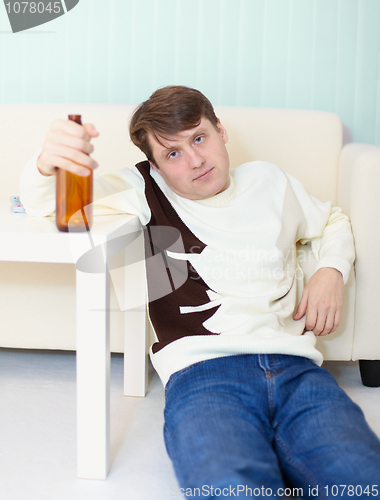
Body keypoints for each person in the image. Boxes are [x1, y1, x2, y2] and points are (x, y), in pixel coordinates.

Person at [20, 86, 380, 498]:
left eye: (199, 138)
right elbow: (47, 206)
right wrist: (48, 164)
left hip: (298, 369)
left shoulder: (270, 181)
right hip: (204, 375)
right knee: (230, 487)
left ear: (220, 130)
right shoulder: (143, 189)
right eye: (172, 154)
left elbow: (332, 220)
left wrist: (330, 272)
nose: (194, 160)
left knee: (362, 478)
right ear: (155, 165)